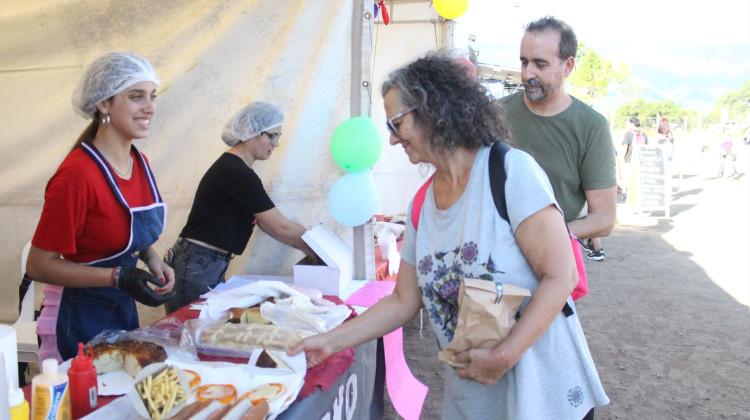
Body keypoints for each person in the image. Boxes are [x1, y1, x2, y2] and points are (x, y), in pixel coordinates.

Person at [290, 52, 609, 419]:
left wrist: (504, 356)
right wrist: (329, 342)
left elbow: (562, 275)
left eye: (396, 123)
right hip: (474, 397)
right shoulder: (420, 205)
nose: (392, 140)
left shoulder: (510, 173)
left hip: (540, 392)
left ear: (434, 110)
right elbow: (403, 302)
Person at [26, 52, 175, 361]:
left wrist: (152, 260)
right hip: (76, 317)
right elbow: (39, 265)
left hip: (120, 308)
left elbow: (128, 235)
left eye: (152, 96)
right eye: (137, 97)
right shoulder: (78, 174)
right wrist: (117, 277)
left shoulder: (139, 162)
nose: (150, 107)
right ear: (103, 104)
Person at [164, 102, 319, 314]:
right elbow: (280, 225)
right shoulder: (235, 171)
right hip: (197, 263)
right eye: (273, 136)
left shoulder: (240, 170)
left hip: (204, 263)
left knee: (202, 329)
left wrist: (306, 247)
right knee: (189, 330)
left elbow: (266, 224)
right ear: (251, 132)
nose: (276, 144)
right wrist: (317, 246)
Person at [499, 16, 616, 263]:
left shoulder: (592, 127)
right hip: (490, 259)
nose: (528, 72)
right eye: (524, 62)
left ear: (568, 67)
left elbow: (604, 219)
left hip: (551, 264)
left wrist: (552, 236)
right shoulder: (492, 115)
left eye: (540, 64)